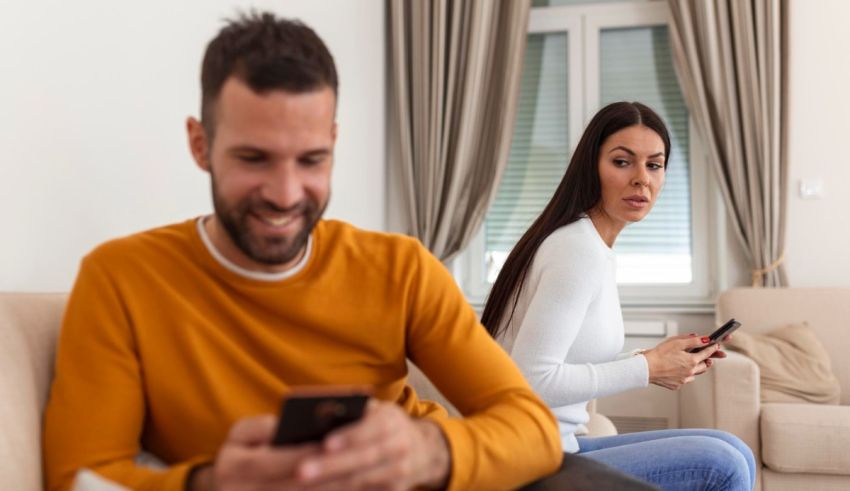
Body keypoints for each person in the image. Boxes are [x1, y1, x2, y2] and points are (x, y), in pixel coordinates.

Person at [42, 12, 659, 491]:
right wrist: (207, 482)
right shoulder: (123, 278)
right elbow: (81, 476)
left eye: (311, 160)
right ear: (201, 145)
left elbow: (527, 424)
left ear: (333, 143)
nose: (285, 194)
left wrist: (432, 452)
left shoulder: (400, 269)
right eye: (253, 159)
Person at [481, 102, 756, 490]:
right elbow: (532, 380)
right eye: (623, 162)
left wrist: (654, 358)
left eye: (654, 165)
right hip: (525, 460)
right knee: (721, 463)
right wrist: (649, 369)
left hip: (559, 446)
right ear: (591, 167)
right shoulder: (575, 249)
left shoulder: (593, 246)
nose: (642, 179)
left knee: (733, 447)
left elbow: (570, 359)